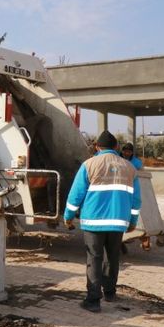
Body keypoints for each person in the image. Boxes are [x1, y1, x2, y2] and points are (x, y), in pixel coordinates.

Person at [64, 131, 141, 313]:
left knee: (94, 259)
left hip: (93, 222)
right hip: (118, 222)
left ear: (97, 147)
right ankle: (110, 293)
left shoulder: (89, 165)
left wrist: (68, 216)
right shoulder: (130, 168)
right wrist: (133, 221)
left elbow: (76, 195)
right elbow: (136, 200)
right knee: (113, 257)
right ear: (116, 148)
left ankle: (93, 301)